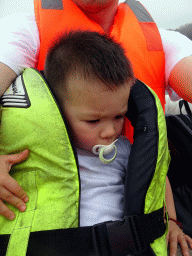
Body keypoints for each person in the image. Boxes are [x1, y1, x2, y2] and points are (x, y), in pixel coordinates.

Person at [0, 0, 192, 253]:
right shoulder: (21, 30)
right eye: (93, 121)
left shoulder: (123, 149)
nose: (109, 131)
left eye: (119, 117)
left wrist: (172, 223)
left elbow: (157, 179)